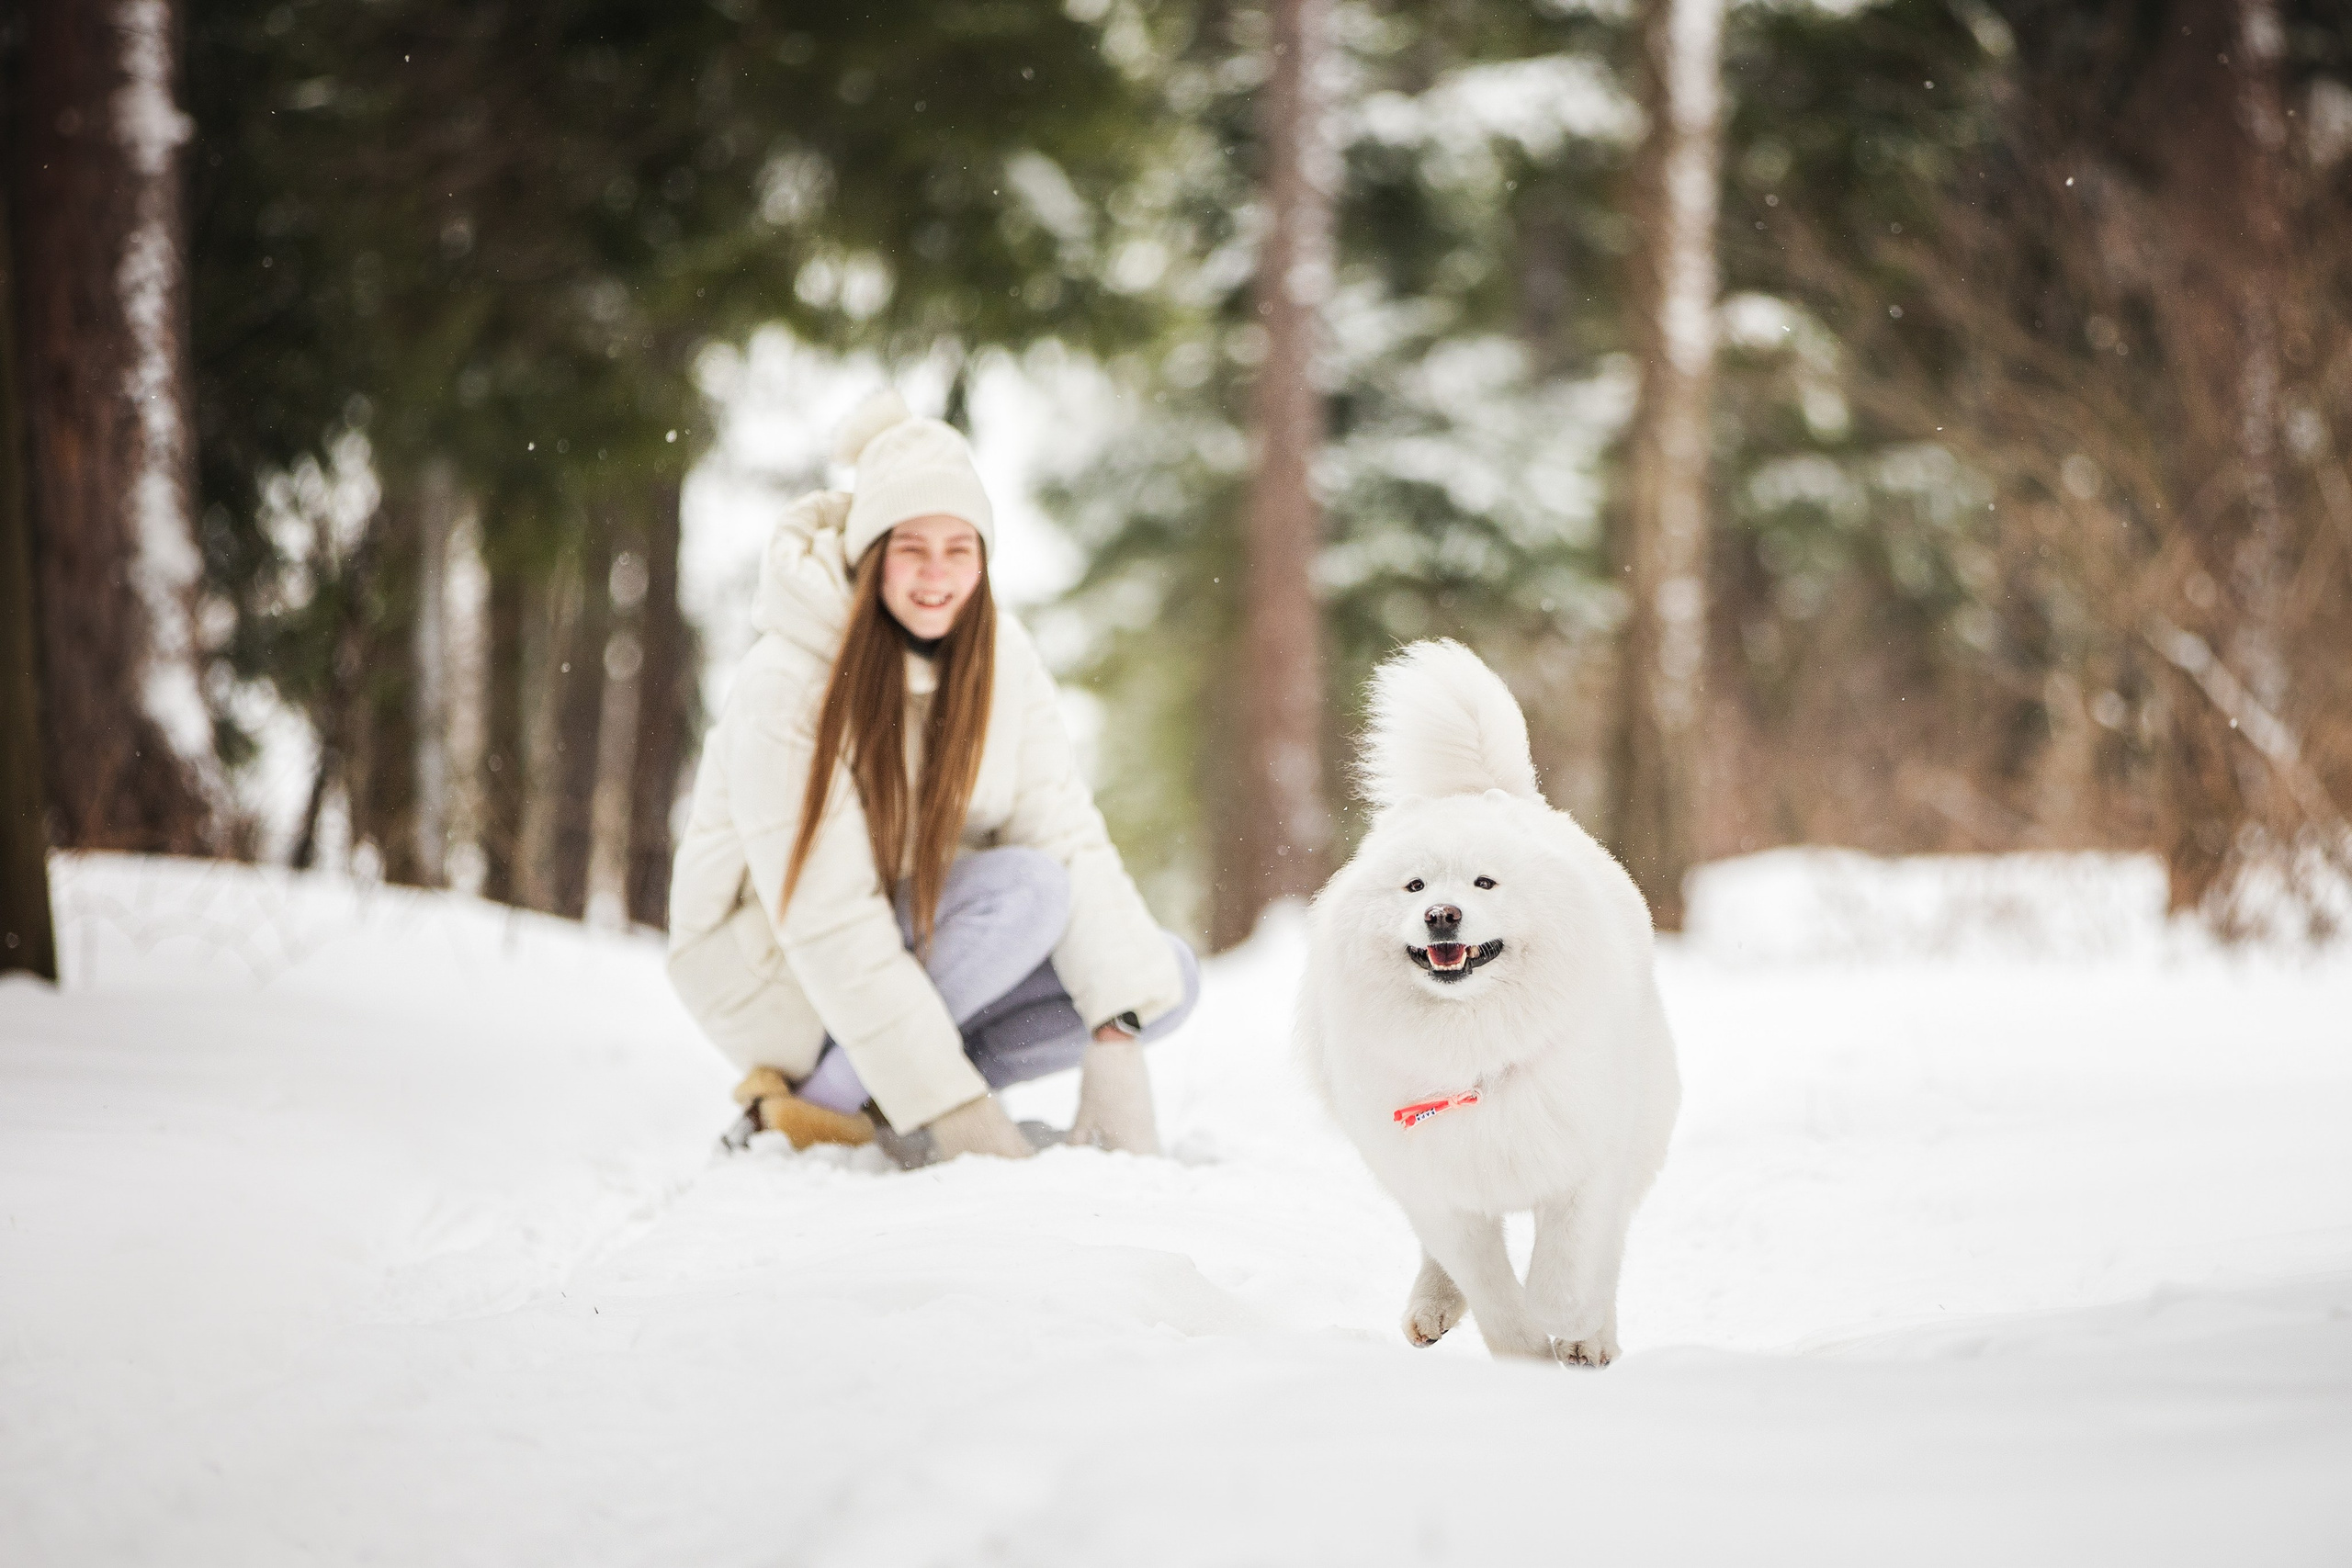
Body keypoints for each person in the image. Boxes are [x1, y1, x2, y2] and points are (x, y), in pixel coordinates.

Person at [665, 389, 1197, 1166]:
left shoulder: (1000, 658)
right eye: (911, 547)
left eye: (960, 548)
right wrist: (961, 1111)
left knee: (1159, 976)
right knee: (1029, 891)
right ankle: (820, 1101)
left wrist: (1116, 1036)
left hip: (907, 944)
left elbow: (1066, 830)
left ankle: (890, 1092)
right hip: (769, 972)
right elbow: (826, 913)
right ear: (868, 552)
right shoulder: (787, 678)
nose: (936, 575)